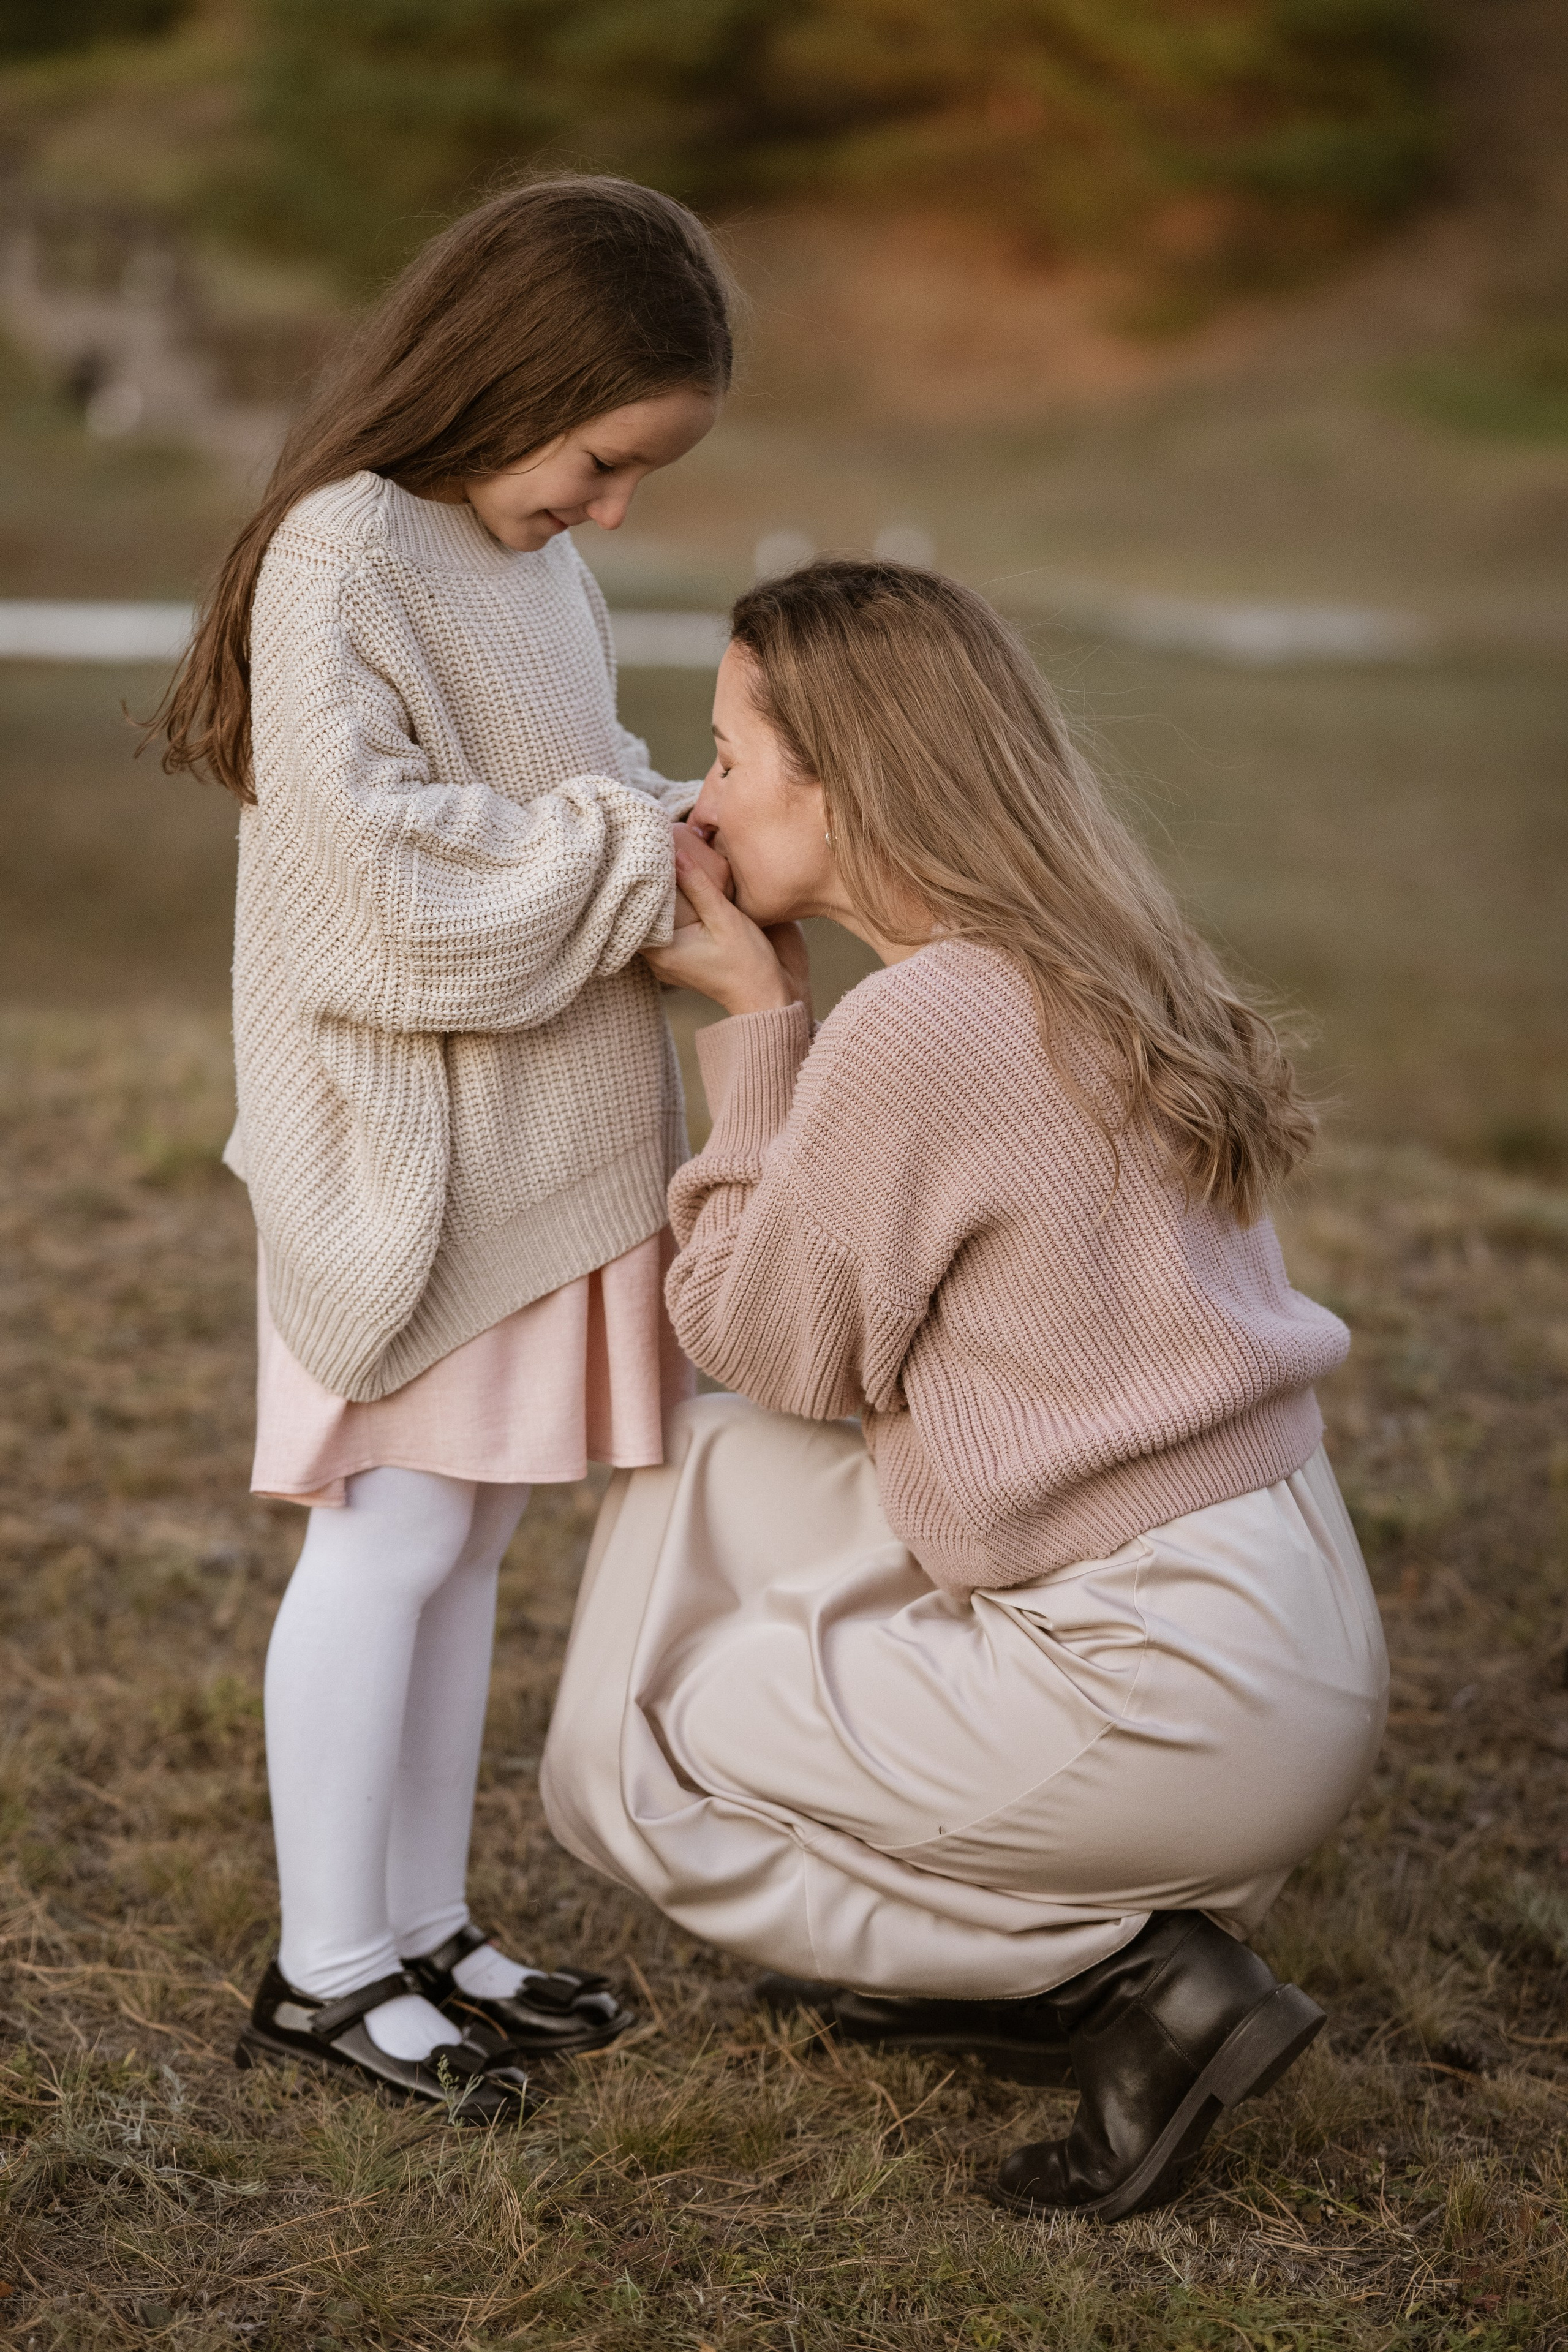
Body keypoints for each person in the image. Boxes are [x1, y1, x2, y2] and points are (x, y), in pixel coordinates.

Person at [540, 557, 1389, 2217]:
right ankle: (1007, 1951)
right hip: (1278, 1611)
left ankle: (1113, 1981)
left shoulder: (921, 1023)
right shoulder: (1094, 948)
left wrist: (755, 1019)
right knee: (717, 1469)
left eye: (726, 755)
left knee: (662, 1750)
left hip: (1171, 1689)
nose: (701, 797)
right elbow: (791, 1391)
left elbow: (759, 1331)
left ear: (840, 782)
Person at [148, 176, 734, 2120]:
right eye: (603, 457)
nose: (614, 508)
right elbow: (383, 871)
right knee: (388, 1533)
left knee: (468, 1532)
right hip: (407, 1153)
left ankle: (423, 1922)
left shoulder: (526, 554)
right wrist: (637, 850)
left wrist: (684, 824)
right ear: (511, 382)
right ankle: (323, 1971)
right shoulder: (345, 551)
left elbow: (552, 795)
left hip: (536, 1139)